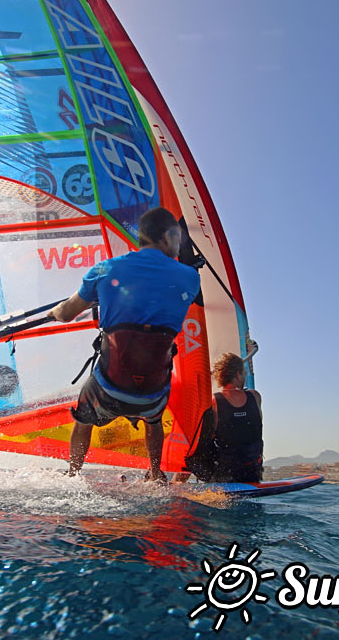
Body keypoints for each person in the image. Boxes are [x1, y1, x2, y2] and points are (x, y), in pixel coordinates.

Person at [50, 207, 200, 482]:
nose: (178, 245)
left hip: (108, 387)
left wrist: (55, 312)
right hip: (153, 394)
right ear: (167, 236)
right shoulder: (190, 277)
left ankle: (73, 474)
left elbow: (66, 313)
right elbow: (167, 293)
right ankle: (156, 475)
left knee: (83, 418)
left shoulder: (105, 269)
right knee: (154, 420)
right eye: (177, 239)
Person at [176, 345, 263, 483]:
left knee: (194, 448)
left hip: (226, 474)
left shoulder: (213, 401)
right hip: (253, 472)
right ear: (237, 374)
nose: (245, 376)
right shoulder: (255, 396)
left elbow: (202, 441)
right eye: (244, 373)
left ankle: (177, 483)